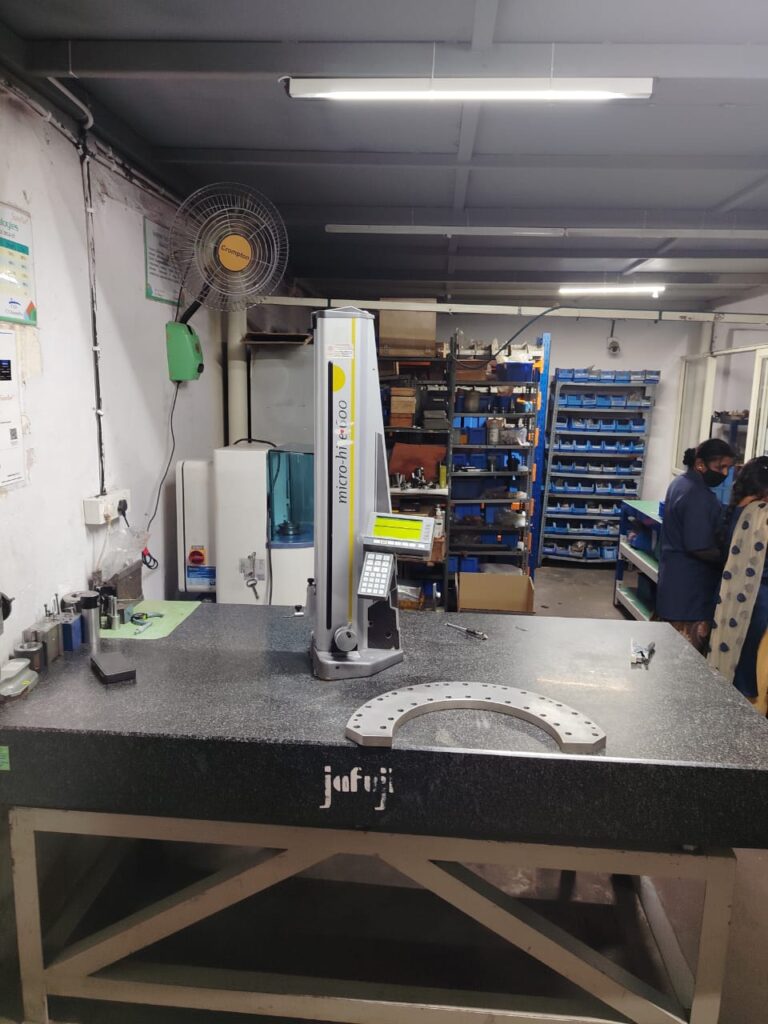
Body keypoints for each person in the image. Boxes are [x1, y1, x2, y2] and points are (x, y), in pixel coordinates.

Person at [656, 438, 735, 652]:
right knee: (685, 655)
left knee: (667, 651)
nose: (725, 473)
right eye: (721, 467)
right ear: (700, 464)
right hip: (690, 590)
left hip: (674, 582)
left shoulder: (681, 483)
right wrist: (729, 560)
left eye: (728, 468)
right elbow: (698, 546)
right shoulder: (697, 495)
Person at [709, 457, 768, 714]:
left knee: (732, 655)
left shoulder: (731, 511)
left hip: (729, 595)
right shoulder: (761, 514)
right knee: (752, 665)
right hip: (758, 600)